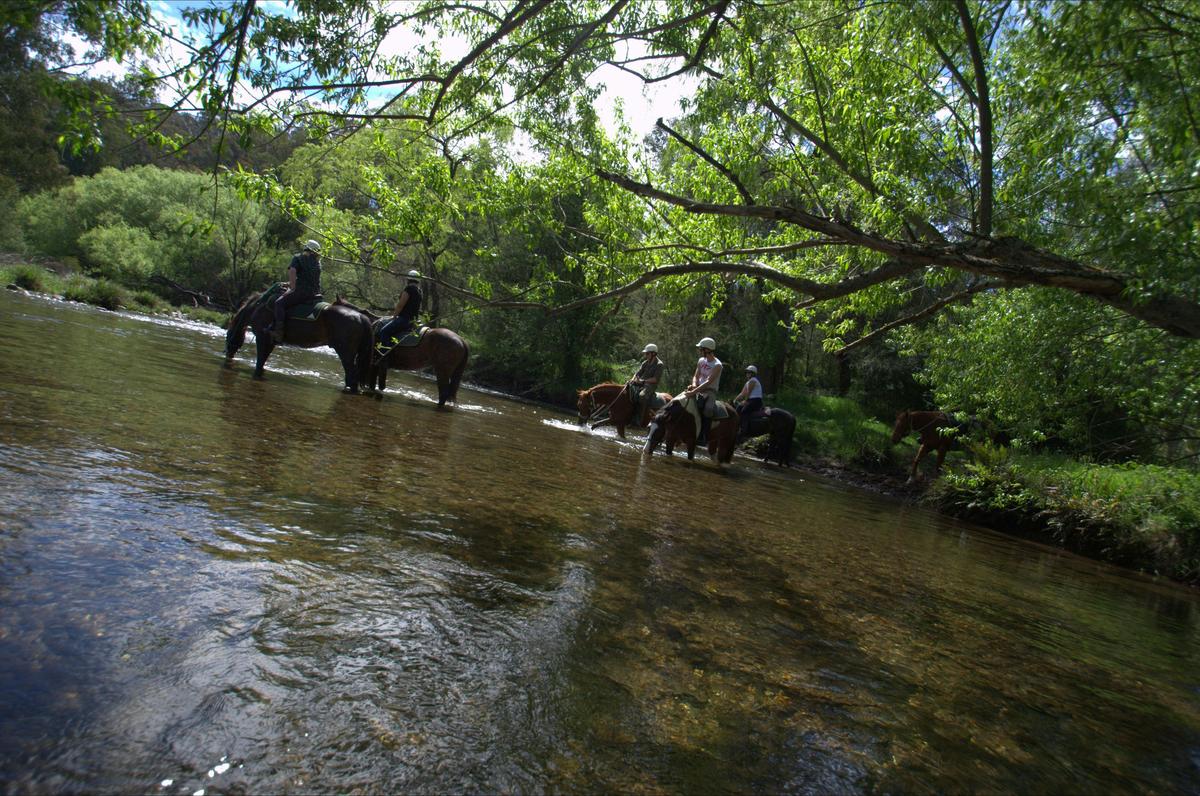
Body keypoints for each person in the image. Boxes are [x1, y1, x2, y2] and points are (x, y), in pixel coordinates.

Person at [272, 239, 323, 343]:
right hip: (314, 294)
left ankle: (278, 333)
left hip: (301, 292)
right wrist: (289, 283)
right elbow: (308, 278)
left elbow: (292, 270)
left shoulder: (299, 258)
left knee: (279, 303)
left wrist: (292, 287)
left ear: (306, 248)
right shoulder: (318, 263)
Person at [375, 270, 423, 357]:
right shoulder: (419, 292)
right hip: (414, 321)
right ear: (417, 280)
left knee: (383, 332)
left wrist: (394, 317)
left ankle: (385, 356)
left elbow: (400, 305)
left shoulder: (408, 290)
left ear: (408, 279)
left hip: (404, 319)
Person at [684, 336, 722, 443]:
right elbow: (696, 376)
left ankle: (703, 436)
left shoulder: (717, 365)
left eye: (701, 349)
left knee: (708, 409)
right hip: (697, 388)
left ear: (707, 350)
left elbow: (708, 382)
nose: (700, 351)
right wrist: (694, 385)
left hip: (710, 391)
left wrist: (694, 391)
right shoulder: (701, 361)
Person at [629, 343, 664, 420]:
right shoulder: (645, 363)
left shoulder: (659, 364)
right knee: (627, 389)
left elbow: (655, 379)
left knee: (642, 396)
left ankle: (639, 419)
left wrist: (643, 381)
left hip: (650, 386)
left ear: (653, 354)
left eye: (647, 354)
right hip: (640, 383)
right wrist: (633, 379)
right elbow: (637, 373)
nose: (646, 355)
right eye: (645, 354)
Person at [733, 364, 765, 441]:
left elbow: (748, 393)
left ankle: (744, 432)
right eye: (747, 372)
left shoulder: (753, 380)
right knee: (738, 408)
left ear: (753, 374)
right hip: (751, 400)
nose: (747, 374)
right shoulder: (748, 382)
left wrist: (745, 401)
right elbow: (742, 393)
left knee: (744, 411)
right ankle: (737, 428)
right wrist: (735, 400)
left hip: (756, 401)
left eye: (749, 372)